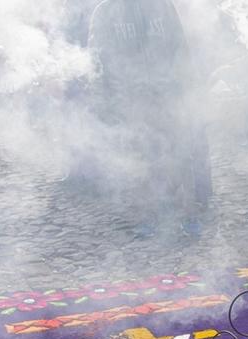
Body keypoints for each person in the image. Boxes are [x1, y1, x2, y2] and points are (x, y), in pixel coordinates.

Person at [88, 0, 211, 238]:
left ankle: (188, 214)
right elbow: (97, 60)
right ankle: (147, 216)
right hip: (130, 99)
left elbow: (180, 46)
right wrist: (107, 102)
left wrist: (188, 87)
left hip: (168, 93)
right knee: (141, 158)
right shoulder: (105, 11)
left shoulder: (162, 5)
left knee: (180, 154)